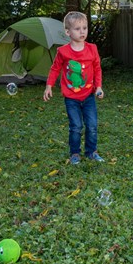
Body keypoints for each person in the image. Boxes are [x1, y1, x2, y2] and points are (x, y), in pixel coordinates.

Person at [43, 11, 105, 164]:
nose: (82, 31)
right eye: (77, 29)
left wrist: (99, 87)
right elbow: (55, 69)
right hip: (71, 98)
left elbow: (97, 68)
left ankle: (91, 152)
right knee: (76, 126)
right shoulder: (63, 52)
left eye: (84, 27)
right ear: (68, 32)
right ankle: (75, 154)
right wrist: (49, 86)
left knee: (92, 126)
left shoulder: (92, 49)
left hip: (89, 96)